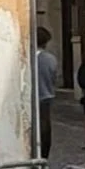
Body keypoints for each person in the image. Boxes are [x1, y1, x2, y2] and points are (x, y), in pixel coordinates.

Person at [34, 27, 60, 160]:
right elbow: (54, 77)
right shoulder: (50, 59)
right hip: (46, 96)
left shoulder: (27, 58)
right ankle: (44, 156)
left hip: (32, 96)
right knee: (45, 127)